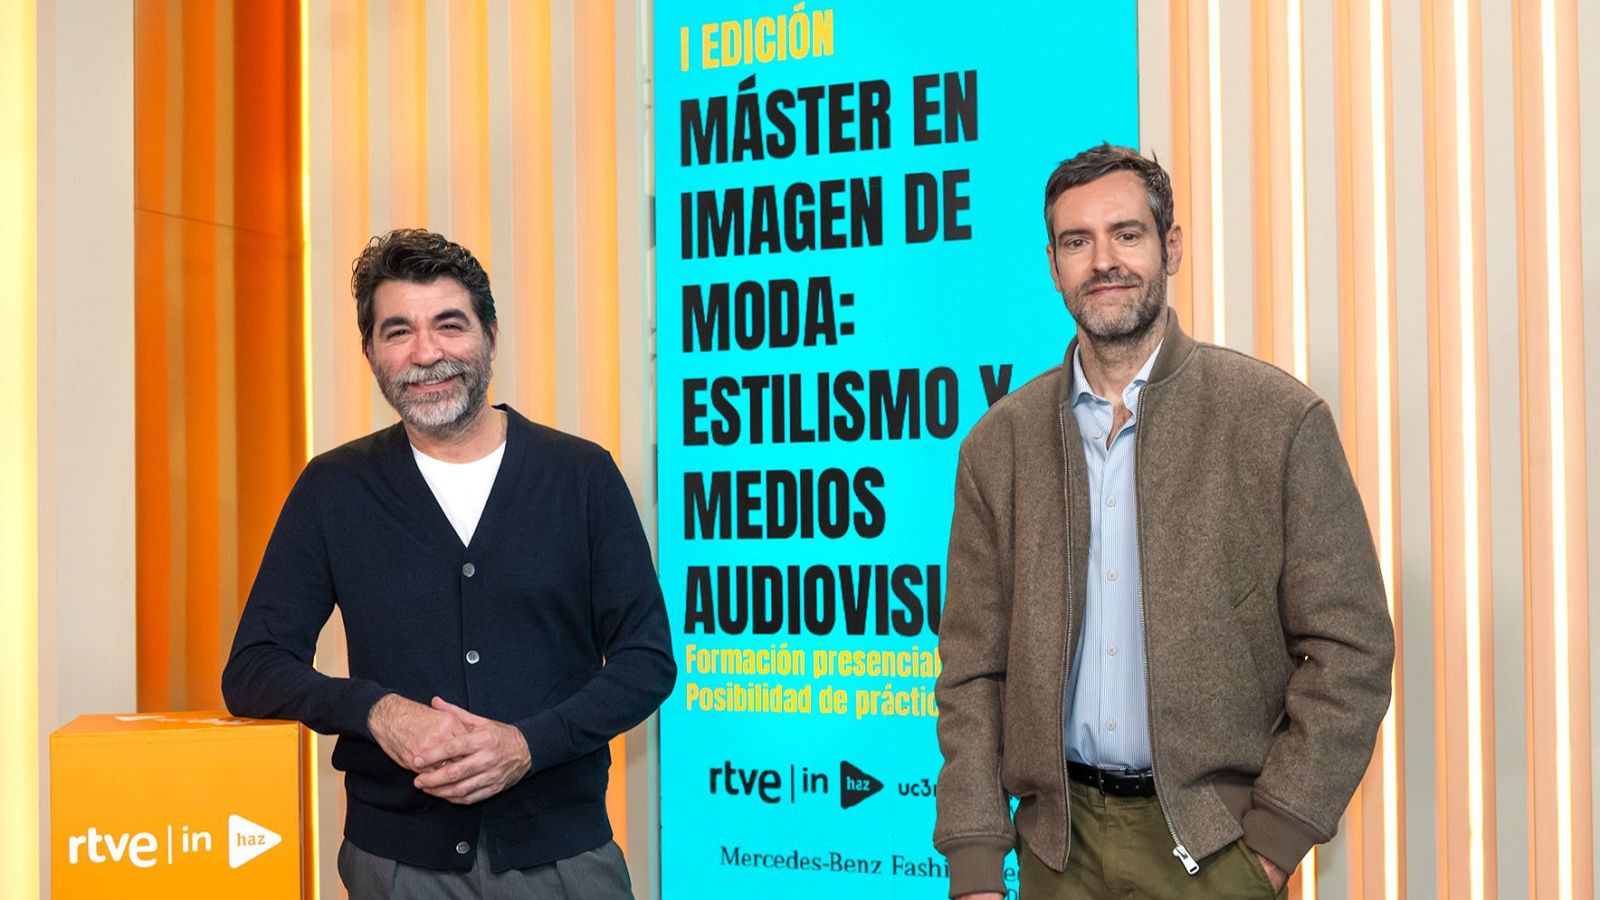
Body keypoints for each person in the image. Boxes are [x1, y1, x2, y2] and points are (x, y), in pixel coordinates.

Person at [932, 144, 1394, 899]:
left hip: (1217, 849)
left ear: (1170, 246)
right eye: (1077, 242)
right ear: (1053, 266)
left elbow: (1352, 649)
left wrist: (1272, 843)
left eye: (1127, 233)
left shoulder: (1276, 421)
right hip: (1056, 851)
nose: (1103, 261)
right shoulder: (1000, 445)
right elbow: (973, 671)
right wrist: (977, 860)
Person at [223, 228, 674, 898]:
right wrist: (378, 712)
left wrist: (528, 744)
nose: (427, 353)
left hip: (564, 861)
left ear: (490, 334)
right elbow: (254, 670)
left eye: (450, 325)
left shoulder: (581, 476)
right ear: (371, 352)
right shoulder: (332, 489)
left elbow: (646, 660)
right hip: (396, 867)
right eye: (398, 331)